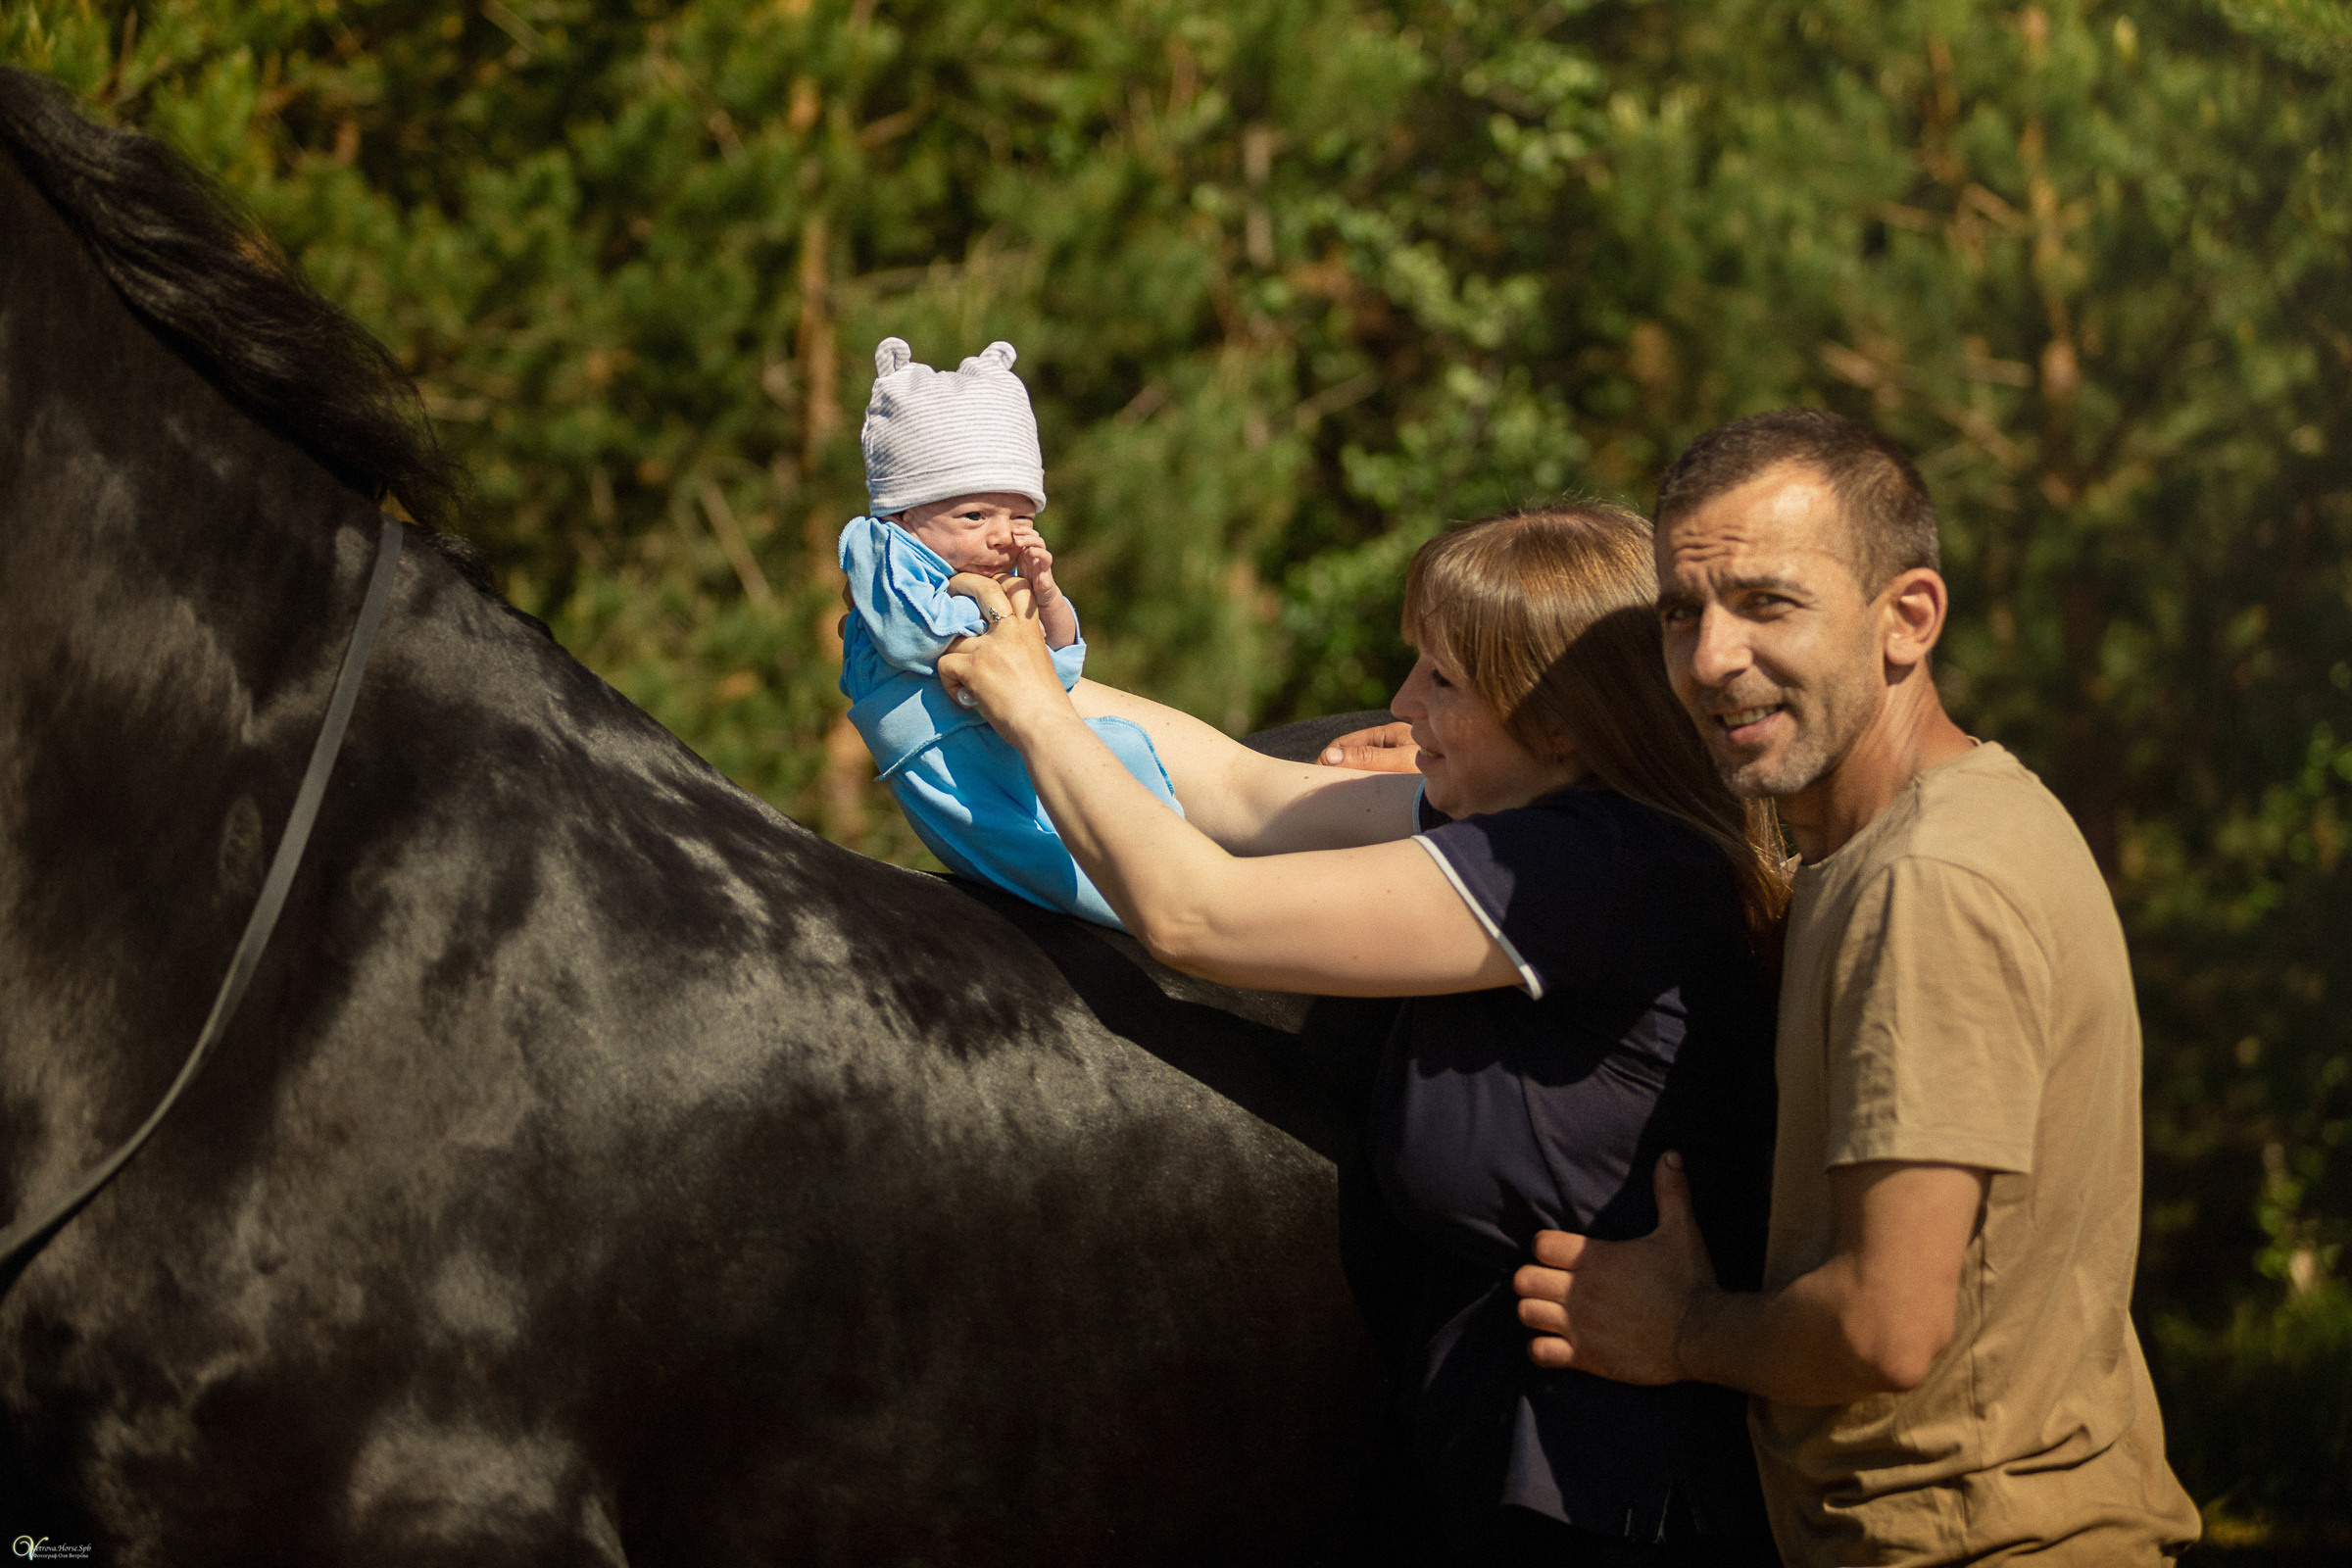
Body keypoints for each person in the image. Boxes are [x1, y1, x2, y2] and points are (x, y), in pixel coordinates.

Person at [938, 504, 1788, 1564]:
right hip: (1519, 1437)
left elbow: (1195, 914)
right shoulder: (1535, 823)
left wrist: (1033, 714)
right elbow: (1244, 795)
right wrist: (1030, 660)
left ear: (1565, 723)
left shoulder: (1587, 870)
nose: (1399, 704)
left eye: (1444, 681)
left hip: (1598, 1480)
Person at [1510, 412, 2202, 1563]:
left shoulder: (1927, 883)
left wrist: (1678, 1328)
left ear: (1907, 619)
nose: (1710, 657)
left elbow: (1886, 1326)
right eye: (1684, 613)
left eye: (1768, 603)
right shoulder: (1902, 836)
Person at [838, 335, 1181, 929]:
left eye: (1020, 516)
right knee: (1034, 854)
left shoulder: (994, 575)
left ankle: (1181, 860)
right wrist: (993, 609)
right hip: (940, 754)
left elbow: (1058, 666)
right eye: (975, 516)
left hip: (998, 727)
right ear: (902, 514)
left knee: (1120, 758)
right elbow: (914, 639)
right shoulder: (880, 548)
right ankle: (1152, 909)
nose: (1004, 535)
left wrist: (1044, 595)